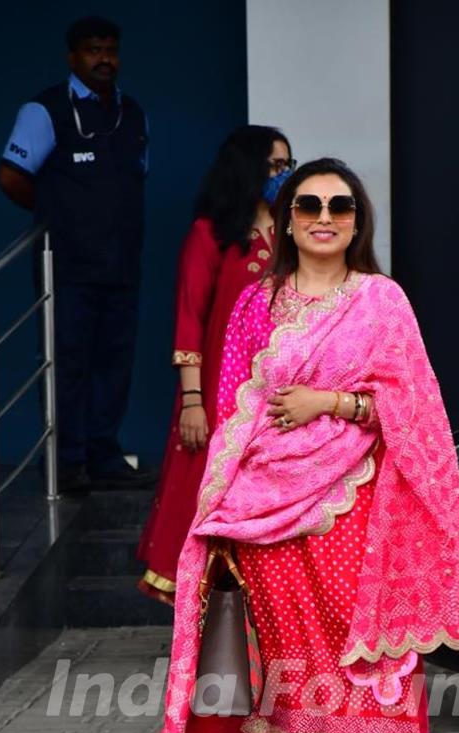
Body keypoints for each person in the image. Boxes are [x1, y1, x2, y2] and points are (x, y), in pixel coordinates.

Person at [67, 159, 459, 733]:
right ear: (287, 219)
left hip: (354, 500)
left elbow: (417, 408)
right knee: (291, 658)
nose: (325, 217)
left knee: (372, 655)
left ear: (358, 221)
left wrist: (333, 404)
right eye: (309, 204)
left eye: (340, 206)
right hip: (267, 508)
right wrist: (220, 509)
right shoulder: (258, 303)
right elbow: (236, 408)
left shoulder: (381, 301)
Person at [137, 126, 294, 605]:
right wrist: (192, 401)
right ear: (246, 168)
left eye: (289, 165)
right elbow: (190, 319)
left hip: (279, 395)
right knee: (208, 496)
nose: (284, 175)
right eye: (274, 166)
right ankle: (207, 617)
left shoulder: (294, 231)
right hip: (217, 396)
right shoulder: (212, 235)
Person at [0, 16, 152, 494]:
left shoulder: (133, 113)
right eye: (93, 50)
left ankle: (104, 454)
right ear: (73, 57)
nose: (104, 59)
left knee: (115, 361)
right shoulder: (45, 110)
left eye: (110, 50)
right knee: (70, 362)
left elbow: (136, 178)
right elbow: (12, 176)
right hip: (68, 265)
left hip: (121, 263)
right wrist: (59, 214)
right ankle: (67, 462)